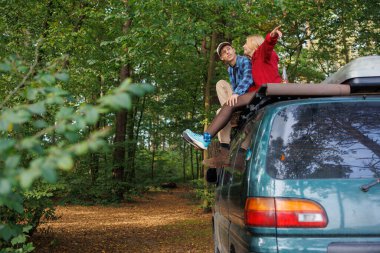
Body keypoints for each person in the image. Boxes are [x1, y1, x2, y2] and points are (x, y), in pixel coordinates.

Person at [183, 26, 282, 150]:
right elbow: (254, 85)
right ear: (222, 58)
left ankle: (205, 138)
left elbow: (267, 46)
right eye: (224, 53)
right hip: (260, 94)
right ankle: (238, 140)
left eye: (246, 43)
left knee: (230, 105)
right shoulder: (254, 61)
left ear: (254, 44)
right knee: (227, 106)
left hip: (268, 93)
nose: (244, 46)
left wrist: (272, 36)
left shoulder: (261, 54)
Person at [185, 41, 254, 167]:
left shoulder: (244, 60)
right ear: (222, 58)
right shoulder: (230, 69)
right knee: (220, 87)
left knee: (222, 110)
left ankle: (225, 120)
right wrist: (234, 96)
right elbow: (233, 87)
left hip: (248, 97)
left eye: (228, 49)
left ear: (233, 49)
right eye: (223, 52)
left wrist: (236, 93)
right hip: (238, 97)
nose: (227, 52)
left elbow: (248, 78)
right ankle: (225, 150)